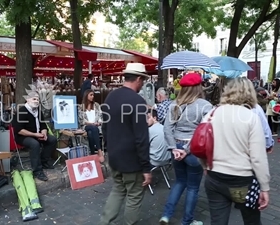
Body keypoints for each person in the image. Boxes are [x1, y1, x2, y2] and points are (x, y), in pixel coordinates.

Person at [201, 77, 270, 225]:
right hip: (240, 181)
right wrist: (264, 186)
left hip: (214, 177)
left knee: (218, 221)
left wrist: (205, 166)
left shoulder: (212, 114)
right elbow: (258, 158)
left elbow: (201, 144)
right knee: (251, 220)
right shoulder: (250, 117)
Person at [100, 63, 152, 225]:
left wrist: (107, 151)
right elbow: (141, 138)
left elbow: (105, 127)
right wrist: (146, 168)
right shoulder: (137, 102)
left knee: (118, 190)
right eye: (142, 80)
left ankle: (104, 222)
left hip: (115, 157)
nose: (142, 83)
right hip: (132, 160)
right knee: (134, 196)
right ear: (138, 78)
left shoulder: (110, 97)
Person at [159, 72, 212, 225]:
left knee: (180, 182)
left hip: (176, 147)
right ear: (198, 87)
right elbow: (203, 131)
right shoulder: (204, 106)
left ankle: (166, 215)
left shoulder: (174, 105)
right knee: (193, 187)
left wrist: (174, 148)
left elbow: (167, 129)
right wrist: (186, 150)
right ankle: (187, 221)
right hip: (193, 151)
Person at [12, 92, 57, 181]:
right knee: (34, 144)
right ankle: (37, 171)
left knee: (52, 139)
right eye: (34, 99)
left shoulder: (38, 111)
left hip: (37, 134)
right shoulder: (22, 111)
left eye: (37, 99)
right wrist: (35, 135)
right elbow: (19, 130)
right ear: (27, 100)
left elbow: (43, 125)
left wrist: (44, 133)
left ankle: (44, 161)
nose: (36, 101)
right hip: (22, 137)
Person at [78, 89, 105, 162]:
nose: (92, 96)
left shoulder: (96, 105)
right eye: (91, 95)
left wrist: (99, 122)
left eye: (93, 95)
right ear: (86, 96)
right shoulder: (81, 107)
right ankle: (99, 151)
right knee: (92, 128)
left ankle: (92, 153)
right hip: (86, 126)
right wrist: (91, 124)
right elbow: (81, 120)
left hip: (95, 127)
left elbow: (100, 116)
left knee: (91, 132)